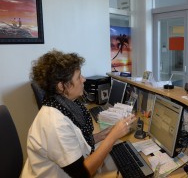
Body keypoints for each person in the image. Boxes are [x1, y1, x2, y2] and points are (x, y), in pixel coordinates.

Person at [21, 50, 136, 178]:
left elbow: (78, 140)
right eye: (78, 77)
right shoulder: (55, 123)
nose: (84, 79)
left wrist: (103, 135)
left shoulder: (65, 104)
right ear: (61, 86)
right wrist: (112, 137)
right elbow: (82, 173)